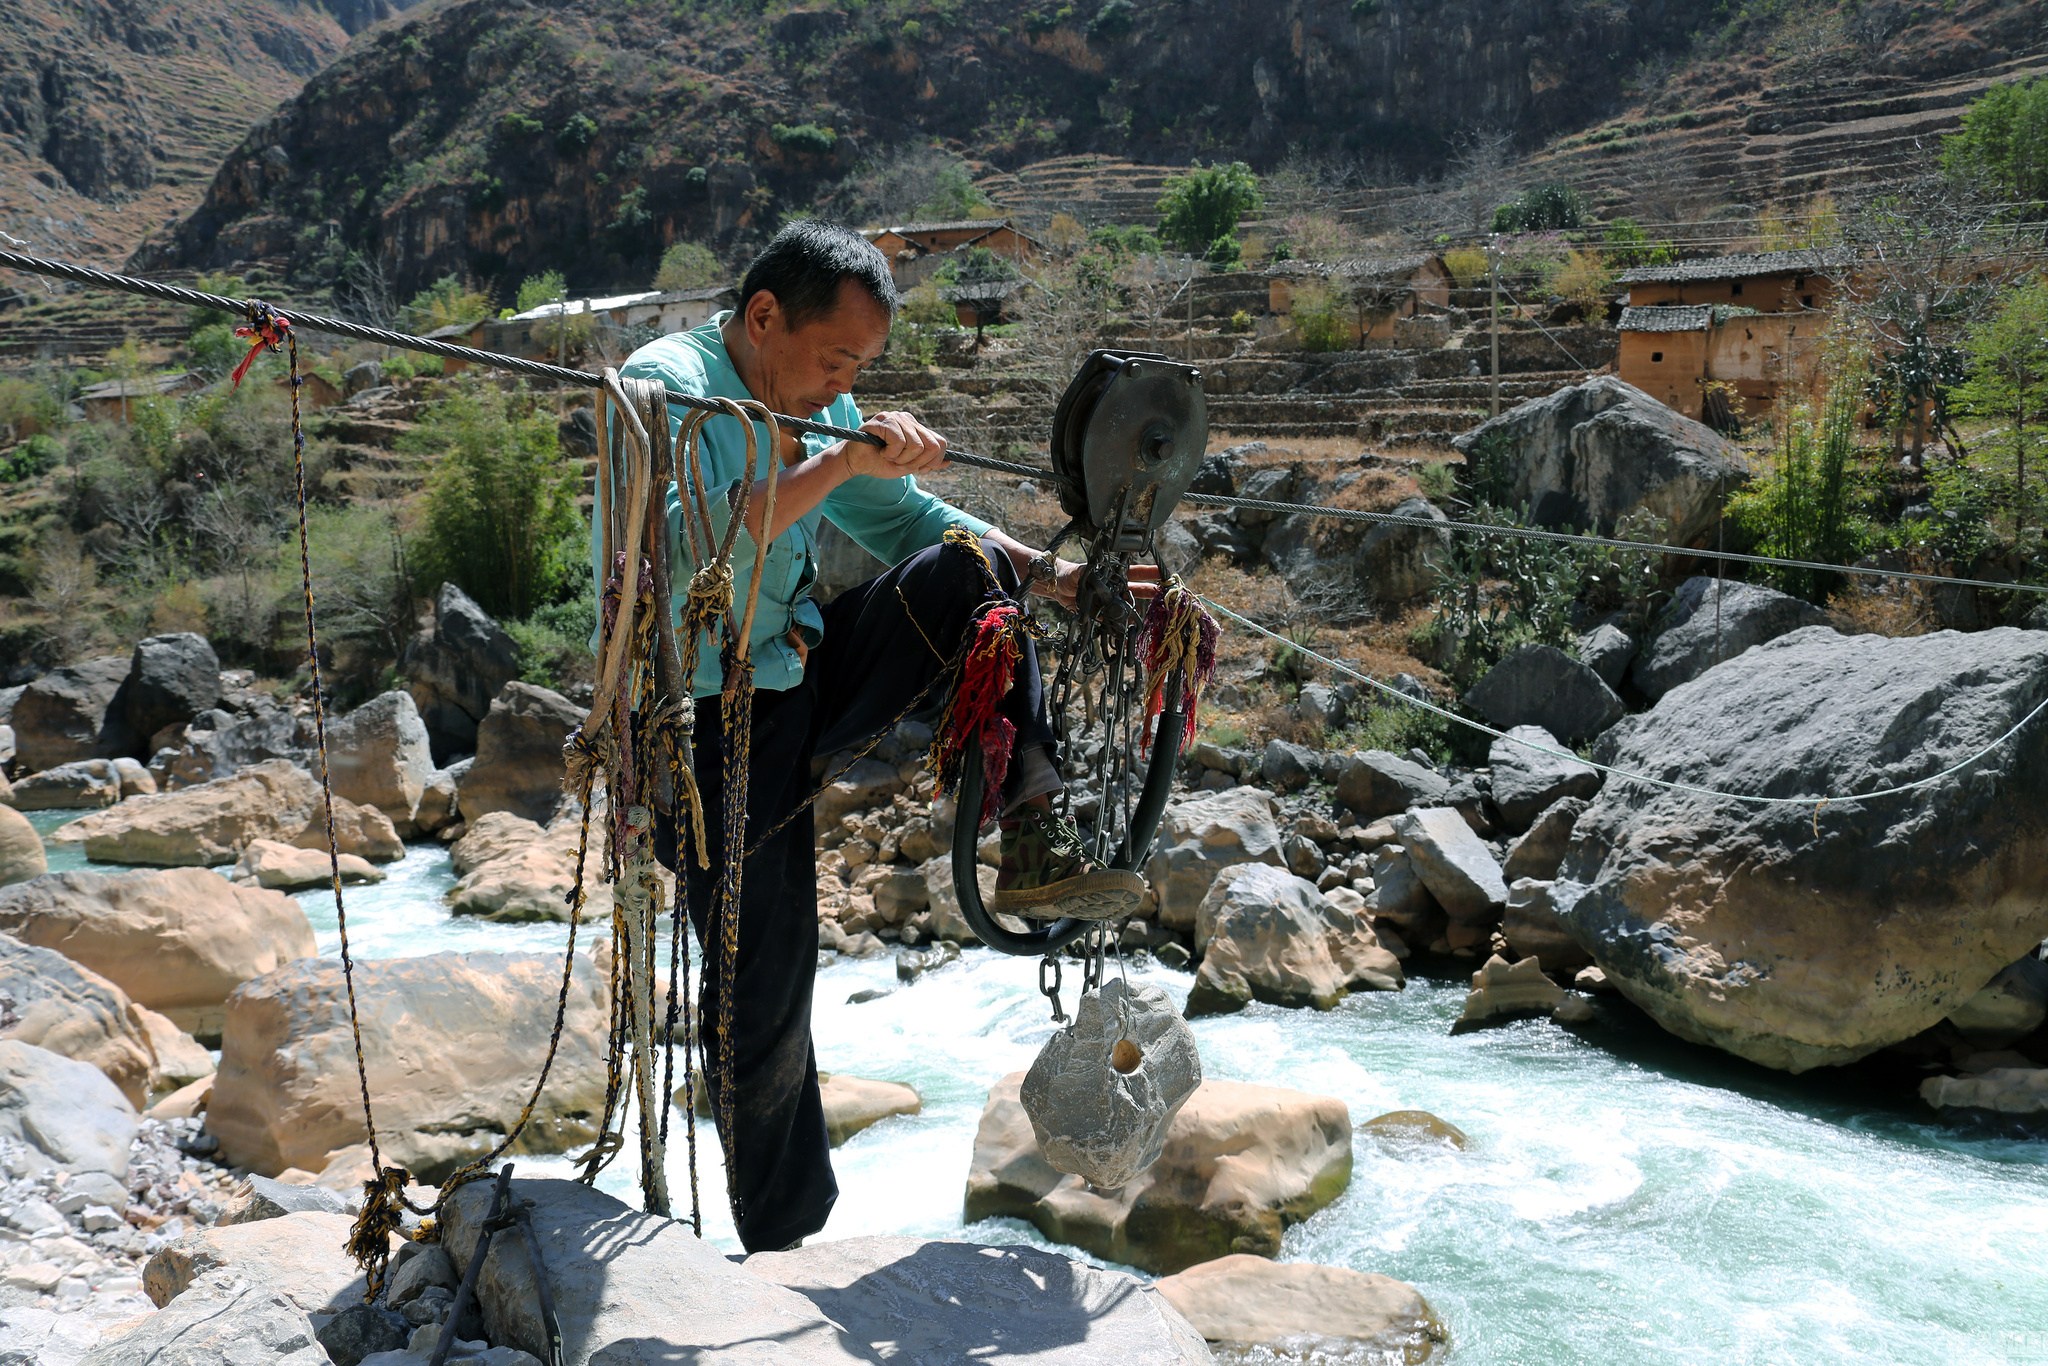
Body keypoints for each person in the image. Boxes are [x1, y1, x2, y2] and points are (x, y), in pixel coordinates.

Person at [600, 221, 1152, 1253]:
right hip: (701, 719)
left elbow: (908, 521)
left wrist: (1055, 575)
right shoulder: (665, 384)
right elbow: (686, 543)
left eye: (858, 368)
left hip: (799, 678)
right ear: (763, 318)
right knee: (764, 983)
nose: (840, 383)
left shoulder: (820, 405)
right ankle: (779, 1238)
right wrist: (836, 460)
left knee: (965, 570)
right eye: (833, 359)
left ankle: (1031, 816)